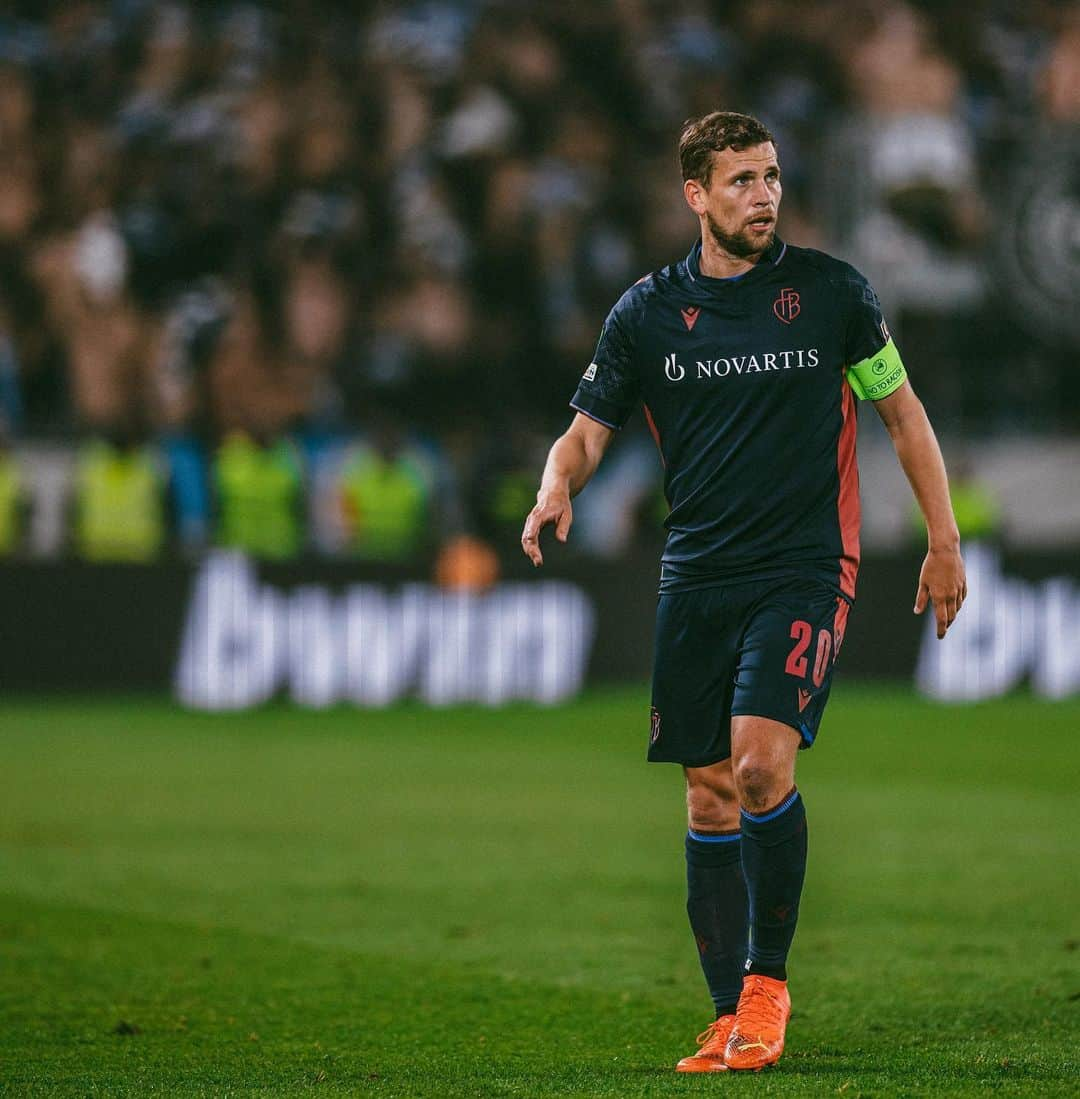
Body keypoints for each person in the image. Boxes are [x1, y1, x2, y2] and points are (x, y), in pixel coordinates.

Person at [520, 111, 966, 1073]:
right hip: (698, 572)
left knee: (761, 766)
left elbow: (903, 412)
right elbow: (589, 428)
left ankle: (768, 987)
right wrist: (558, 482)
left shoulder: (833, 294)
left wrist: (945, 536)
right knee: (710, 795)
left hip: (804, 567)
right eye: (740, 182)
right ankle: (727, 1010)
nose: (763, 195)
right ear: (695, 195)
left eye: (770, 177)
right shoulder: (645, 312)